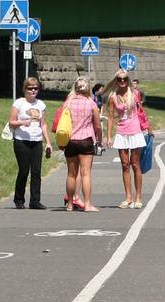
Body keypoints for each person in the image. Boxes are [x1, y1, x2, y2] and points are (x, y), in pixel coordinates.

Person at [55, 77, 104, 211]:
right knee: (85, 173)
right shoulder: (91, 103)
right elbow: (97, 126)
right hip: (86, 139)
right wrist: (99, 140)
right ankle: (87, 204)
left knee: (71, 174)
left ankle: (70, 204)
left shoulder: (68, 103)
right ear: (87, 88)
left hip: (70, 141)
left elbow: (61, 121)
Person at [104, 72, 149, 208]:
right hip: (121, 132)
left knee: (135, 164)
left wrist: (147, 128)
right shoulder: (113, 96)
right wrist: (109, 136)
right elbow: (111, 116)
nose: (122, 81)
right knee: (124, 165)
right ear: (116, 81)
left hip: (135, 131)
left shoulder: (134, 93)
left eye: (124, 79)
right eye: (119, 79)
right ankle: (128, 197)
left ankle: (138, 198)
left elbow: (141, 111)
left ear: (128, 80)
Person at [6, 76, 51, 210]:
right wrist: (22, 122)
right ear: (25, 89)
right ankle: (19, 199)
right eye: (30, 88)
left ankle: (35, 201)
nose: (33, 91)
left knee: (36, 172)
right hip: (21, 141)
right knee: (24, 170)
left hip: (36, 141)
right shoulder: (19, 103)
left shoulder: (41, 104)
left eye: (35, 88)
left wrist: (48, 142)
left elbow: (43, 125)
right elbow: (11, 121)